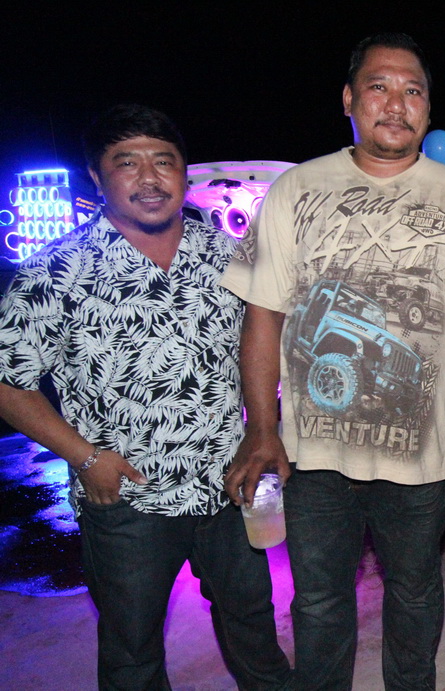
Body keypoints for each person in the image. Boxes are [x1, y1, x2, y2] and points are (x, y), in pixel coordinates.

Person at [220, 33, 445, 690]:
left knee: (414, 596)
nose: (396, 103)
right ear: (349, 99)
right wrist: (262, 428)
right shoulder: (296, 190)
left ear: (428, 108)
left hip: (419, 458)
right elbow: (263, 315)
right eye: (379, 86)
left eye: (413, 90)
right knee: (319, 602)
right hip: (313, 455)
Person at [0, 104, 292, 689]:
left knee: (254, 628)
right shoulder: (53, 271)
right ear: (96, 175)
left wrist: (266, 433)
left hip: (227, 483)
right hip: (126, 497)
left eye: (164, 161)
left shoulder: (230, 256)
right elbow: (9, 383)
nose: (150, 177)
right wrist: (85, 458)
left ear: (183, 171)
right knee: (132, 651)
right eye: (127, 163)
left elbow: (267, 348)